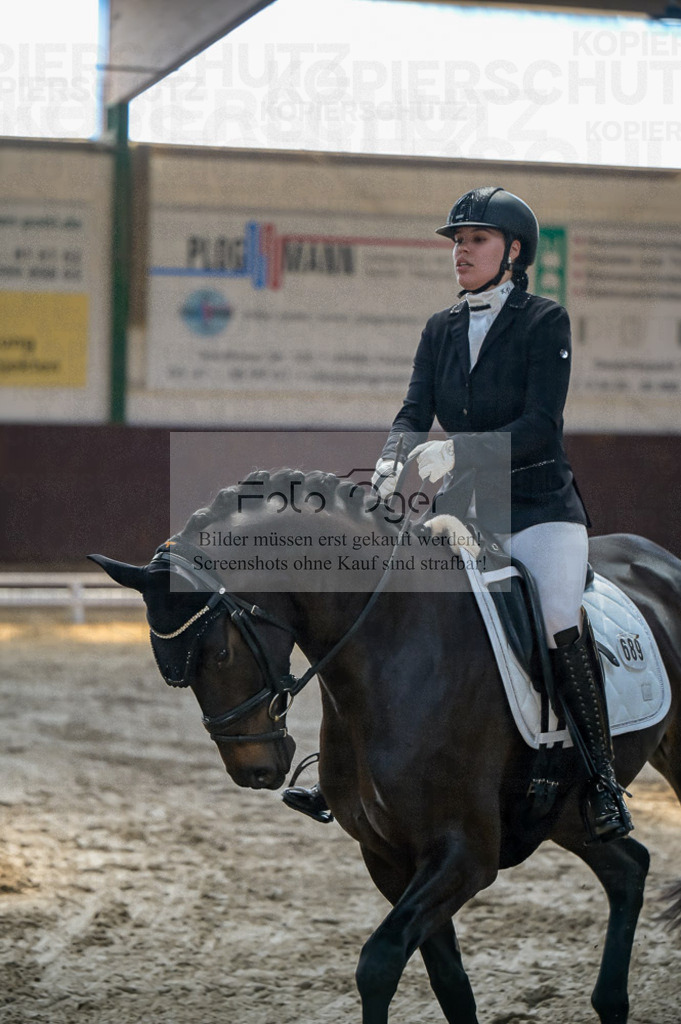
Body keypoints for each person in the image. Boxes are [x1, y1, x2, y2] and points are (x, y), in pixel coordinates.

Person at [283, 186, 633, 843]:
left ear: (513, 251)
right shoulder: (439, 328)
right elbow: (413, 411)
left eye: (475, 240)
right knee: (385, 606)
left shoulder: (543, 321)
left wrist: (458, 449)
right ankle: (346, 770)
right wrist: (392, 461)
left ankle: (601, 779)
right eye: (456, 241)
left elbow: (539, 426)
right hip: (463, 509)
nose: (461, 251)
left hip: (536, 508)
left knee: (558, 617)